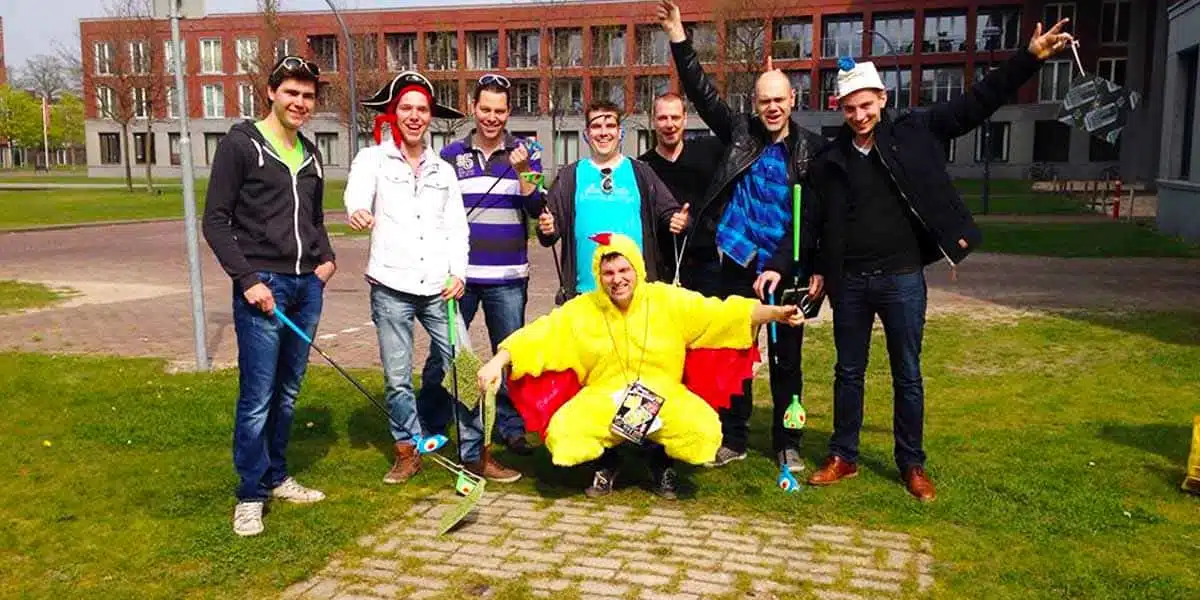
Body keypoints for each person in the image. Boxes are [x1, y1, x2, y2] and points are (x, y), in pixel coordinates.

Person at [784, 19, 1076, 502]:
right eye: (850, 108)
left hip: (902, 278)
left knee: (908, 374)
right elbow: (815, 220)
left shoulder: (915, 132)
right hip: (850, 283)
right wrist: (816, 267)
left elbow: (976, 103)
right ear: (840, 108)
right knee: (848, 372)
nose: (859, 115)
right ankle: (843, 455)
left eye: (866, 105)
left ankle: (911, 464)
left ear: (882, 99)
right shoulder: (829, 160)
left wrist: (1029, 58)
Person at [476, 233, 804, 498]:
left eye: (624, 270)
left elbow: (723, 313)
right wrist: (497, 361)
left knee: (702, 432)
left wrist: (776, 313)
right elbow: (540, 334)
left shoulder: (667, 299)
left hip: (663, 393)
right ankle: (607, 463)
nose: (617, 280)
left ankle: (661, 463)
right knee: (565, 438)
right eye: (608, 273)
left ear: (638, 269)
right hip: (603, 396)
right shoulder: (582, 309)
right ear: (598, 276)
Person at [658, 0, 827, 473]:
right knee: (734, 354)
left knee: (787, 359)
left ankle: (787, 440)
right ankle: (733, 437)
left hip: (784, 267)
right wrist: (678, 38)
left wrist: (804, 267)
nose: (772, 108)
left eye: (779, 100)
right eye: (764, 101)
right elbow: (702, 92)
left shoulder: (813, 150)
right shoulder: (740, 135)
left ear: (792, 101)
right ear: (755, 104)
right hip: (736, 260)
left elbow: (814, 219)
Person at [344, 70, 520, 487]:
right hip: (391, 286)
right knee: (397, 378)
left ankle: (476, 455)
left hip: (440, 288)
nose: (414, 116)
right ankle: (407, 451)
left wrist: (458, 273)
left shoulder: (442, 169)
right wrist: (357, 210)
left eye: (421, 109)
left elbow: (457, 228)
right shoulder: (372, 159)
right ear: (394, 113)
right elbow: (356, 193)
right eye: (406, 108)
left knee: (466, 369)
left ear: (429, 116)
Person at [202, 55, 336, 537]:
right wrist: (247, 279)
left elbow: (314, 219)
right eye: (291, 93)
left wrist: (327, 259)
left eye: (307, 96)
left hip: (306, 286)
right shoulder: (241, 145)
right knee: (258, 395)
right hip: (263, 286)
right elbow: (215, 221)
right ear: (271, 93)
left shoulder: (311, 153)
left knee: (288, 391)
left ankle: (277, 475)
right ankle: (250, 494)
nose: (300, 103)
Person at [438, 73, 542, 457]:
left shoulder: (527, 152)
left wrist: (523, 170)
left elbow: (536, 207)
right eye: (485, 109)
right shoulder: (451, 155)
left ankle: (511, 427)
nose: (491, 118)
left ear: (509, 112)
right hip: (461, 277)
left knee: (509, 354)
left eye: (499, 111)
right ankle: (459, 419)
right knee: (454, 354)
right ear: (473, 108)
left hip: (508, 276)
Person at [536, 100, 688, 302]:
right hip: (585, 293)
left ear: (620, 132)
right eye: (596, 126)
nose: (603, 132)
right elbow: (549, 229)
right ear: (586, 134)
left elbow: (669, 213)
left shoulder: (642, 172)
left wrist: (679, 220)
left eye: (610, 126)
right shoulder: (569, 176)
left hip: (636, 292)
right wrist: (546, 228)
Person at [637, 92, 725, 283]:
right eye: (663, 118)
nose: (670, 124)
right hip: (661, 269)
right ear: (653, 121)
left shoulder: (708, 151)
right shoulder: (642, 167)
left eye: (675, 117)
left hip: (706, 266)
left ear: (685, 119)